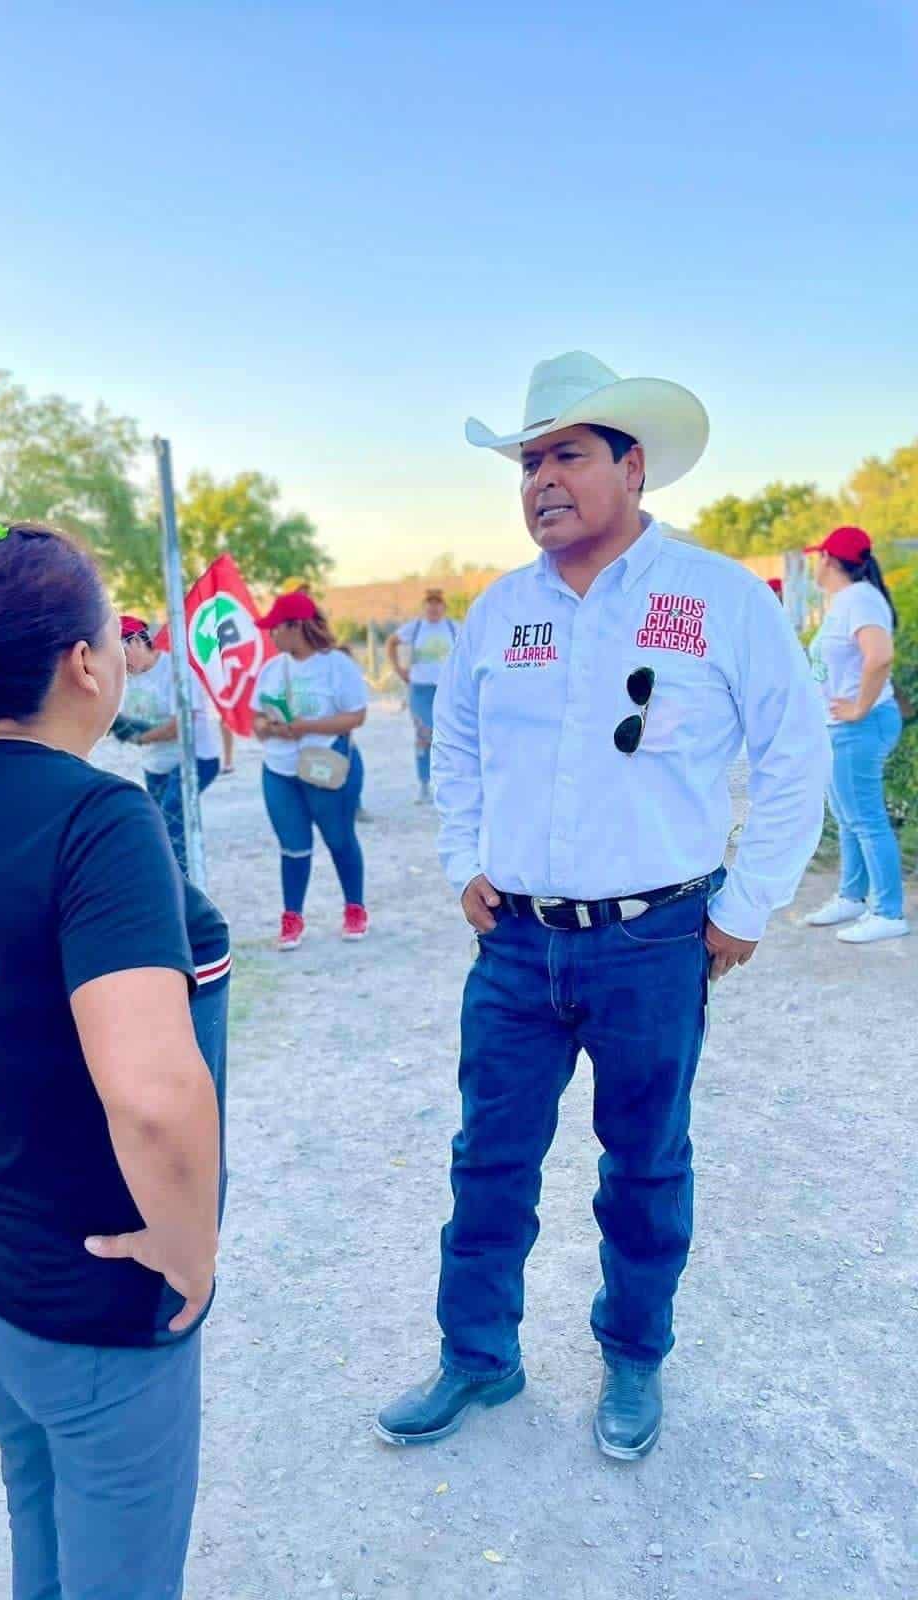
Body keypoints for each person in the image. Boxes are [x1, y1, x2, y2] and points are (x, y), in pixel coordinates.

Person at [375, 350, 830, 1462]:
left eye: (566, 455)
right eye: (528, 462)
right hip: (518, 945)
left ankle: (634, 1358)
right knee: (489, 1157)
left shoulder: (717, 599)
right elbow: (464, 750)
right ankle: (478, 1355)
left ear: (632, 466)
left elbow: (796, 749)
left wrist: (748, 904)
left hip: (655, 941)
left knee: (645, 1163)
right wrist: (462, 863)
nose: (540, 480)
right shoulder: (498, 614)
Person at [0, 523, 229, 1600]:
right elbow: (156, 1099)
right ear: (83, 663)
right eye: (113, 628)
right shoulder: (100, 818)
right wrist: (191, 1251)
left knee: (42, 1522)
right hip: (95, 1296)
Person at [802, 526, 908, 943]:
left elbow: (879, 656)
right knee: (849, 817)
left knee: (865, 818)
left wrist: (858, 707)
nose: (815, 563)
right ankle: (852, 897)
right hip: (845, 727)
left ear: (828, 559)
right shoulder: (846, 601)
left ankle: (888, 912)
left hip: (859, 725)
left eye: (818, 557)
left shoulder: (859, 599)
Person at [252, 590, 369, 949]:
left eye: (276, 628)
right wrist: (270, 728)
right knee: (293, 847)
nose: (271, 635)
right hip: (279, 770)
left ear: (295, 627)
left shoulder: (337, 665)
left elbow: (357, 715)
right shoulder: (272, 669)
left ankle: (355, 908)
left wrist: (306, 728)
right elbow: (256, 720)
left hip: (326, 767)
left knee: (339, 840)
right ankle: (292, 918)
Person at [117, 616, 222, 877]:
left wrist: (138, 736)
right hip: (156, 763)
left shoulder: (176, 671)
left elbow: (179, 725)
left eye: (123, 650)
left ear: (140, 641)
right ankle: (169, 877)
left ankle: (184, 882)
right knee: (157, 823)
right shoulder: (122, 679)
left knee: (173, 811)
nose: (121, 660)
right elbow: (116, 722)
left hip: (195, 757)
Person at [387, 588, 460, 802]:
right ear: (424, 606)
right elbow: (392, 642)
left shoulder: (454, 627)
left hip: (447, 689)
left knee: (448, 734)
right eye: (430, 603)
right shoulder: (416, 628)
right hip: (420, 689)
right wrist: (399, 669)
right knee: (424, 734)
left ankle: (448, 783)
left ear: (444, 607)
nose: (434, 607)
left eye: (437, 603)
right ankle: (424, 784)